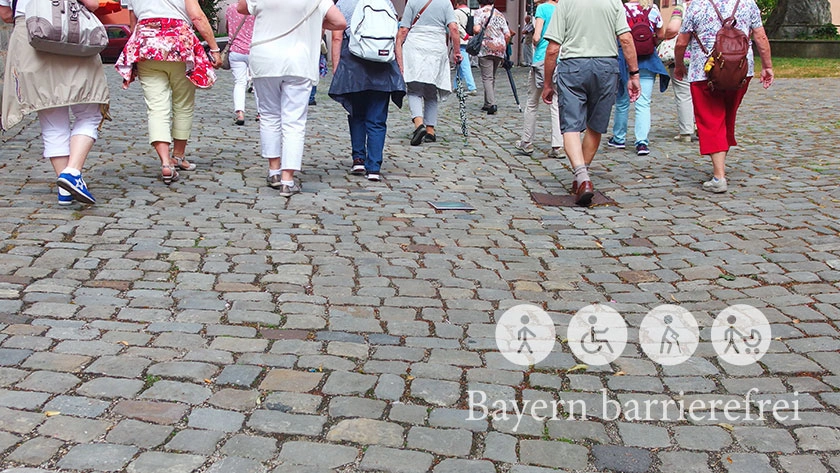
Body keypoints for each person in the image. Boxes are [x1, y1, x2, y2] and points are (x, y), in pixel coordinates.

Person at [1, 0, 109, 206]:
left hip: (31, 34)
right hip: (72, 32)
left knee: (50, 112)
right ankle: (72, 172)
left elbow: (6, 14)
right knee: (90, 111)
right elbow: (92, 4)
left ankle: (65, 190)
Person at [237, 0, 346, 196]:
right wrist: (316, 23)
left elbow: (241, 7)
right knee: (294, 121)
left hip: (265, 58)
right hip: (299, 60)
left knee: (269, 115)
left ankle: (274, 172)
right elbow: (339, 22)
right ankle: (288, 179)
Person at [542, 0, 641, 207]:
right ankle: (582, 175)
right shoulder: (613, 2)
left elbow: (552, 49)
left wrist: (548, 83)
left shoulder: (566, 3)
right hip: (606, 67)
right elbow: (625, 38)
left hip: (573, 67)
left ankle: (582, 178)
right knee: (596, 124)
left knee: (570, 126)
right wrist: (634, 74)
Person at [116, 0, 223, 185]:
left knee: (156, 108)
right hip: (179, 45)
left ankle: (166, 163)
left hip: (146, 46)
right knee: (183, 104)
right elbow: (197, 16)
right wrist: (214, 49)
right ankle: (179, 156)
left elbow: (134, 24)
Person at [674, 0, 773, 193]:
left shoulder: (697, 5)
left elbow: (681, 42)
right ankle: (720, 167)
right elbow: (760, 37)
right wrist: (767, 66)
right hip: (740, 71)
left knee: (711, 120)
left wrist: (679, 65)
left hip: (705, 72)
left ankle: (719, 176)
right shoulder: (747, 3)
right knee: (726, 116)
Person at [329, 0, 406, 181]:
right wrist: (399, 66)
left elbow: (337, 36)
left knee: (357, 113)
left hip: (354, 63)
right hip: (382, 64)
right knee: (378, 118)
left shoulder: (344, 3)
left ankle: (358, 158)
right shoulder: (385, 2)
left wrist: (336, 66)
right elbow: (393, 35)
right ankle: (374, 167)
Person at [607, 0, 670, 157]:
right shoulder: (653, 9)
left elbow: (616, 34)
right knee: (644, 102)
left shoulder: (621, 9)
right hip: (647, 59)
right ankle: (642, 142)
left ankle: (619, 138)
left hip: (625, 60)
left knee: (622, 101)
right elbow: (661, 34)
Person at [396, 0, 461, 145]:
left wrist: (398, 51)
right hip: (436, 47)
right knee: (431, 89)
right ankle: (430, 130)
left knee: (414, 89)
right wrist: (457, 52)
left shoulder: (412, 2)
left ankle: (419, 124)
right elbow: (454, 29)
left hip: (415, 46)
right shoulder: (445, 3)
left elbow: (403, 30)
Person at [515, 0, 563, 158]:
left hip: (543, 57)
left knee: (532, 102)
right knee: (556, 103)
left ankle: (527, 142)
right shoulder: (563, 8)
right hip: (560, 58)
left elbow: (536, 37)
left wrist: (535, 39)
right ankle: (558, 145)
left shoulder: (542, 8)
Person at [664, 0, 695, 142]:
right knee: (702, 93)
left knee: (684, 94)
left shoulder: (682, 7)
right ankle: (701, 127)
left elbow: (672, 28)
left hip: (684, 56)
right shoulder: (709, 6)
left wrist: (666, 35)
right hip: (705, 57)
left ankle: (686, 132)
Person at [474, 0, 510, 115]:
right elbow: (507, 34)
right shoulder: (499, 14)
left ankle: (491, 103)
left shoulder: (479, 12)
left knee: (487, 78)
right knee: (491, 77)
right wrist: (504, 47)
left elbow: (476, 29)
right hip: (499, 48)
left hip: (486, 47)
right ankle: (487, 102)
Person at [225, 2, 259, 125]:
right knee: (258, 83)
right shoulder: (256, 8)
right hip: (254, 50)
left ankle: (240, 113)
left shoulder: (231, 8)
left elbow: (229, 28)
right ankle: (261, 113)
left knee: (239, 82)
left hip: (236, 50)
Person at [452, 0, 477, 95]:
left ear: (457, 4)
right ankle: (455, 85)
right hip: (471, 41)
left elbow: (456, 27)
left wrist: (465, 35)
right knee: (461, 65)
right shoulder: (472, 11)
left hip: (461, 40)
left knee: (465, 65)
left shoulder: (456, 13)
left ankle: (472, 87)